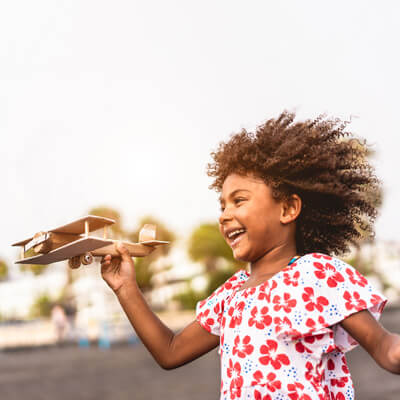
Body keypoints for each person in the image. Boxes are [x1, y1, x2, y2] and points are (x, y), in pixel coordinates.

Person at [99, 112, 400, 399]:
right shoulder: (230, 295)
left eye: (239, 201)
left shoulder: (317, 275)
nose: (225, 215)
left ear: (287, 209)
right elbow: (170, 350)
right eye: (222, 206)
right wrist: (126, 287)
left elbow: (385, 347)